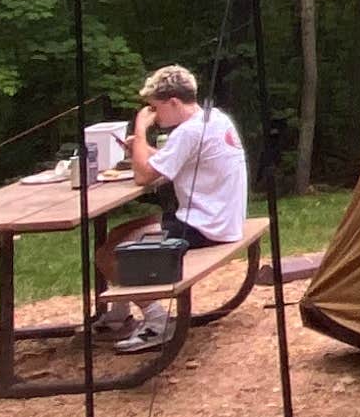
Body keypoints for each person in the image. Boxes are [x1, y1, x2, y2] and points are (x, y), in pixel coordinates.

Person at [100, 64, 249, 351]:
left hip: (204, 227)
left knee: (109, 254)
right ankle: (119, 314)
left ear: (173, 102)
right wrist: (143, 152)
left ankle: (157, 323)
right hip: (221, 218)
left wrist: (140, 131)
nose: (155, 116)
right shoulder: (214, 119)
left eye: (156, 108)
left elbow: (143, 176)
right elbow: (176, 161)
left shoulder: (188, 132)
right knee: (118, 234)